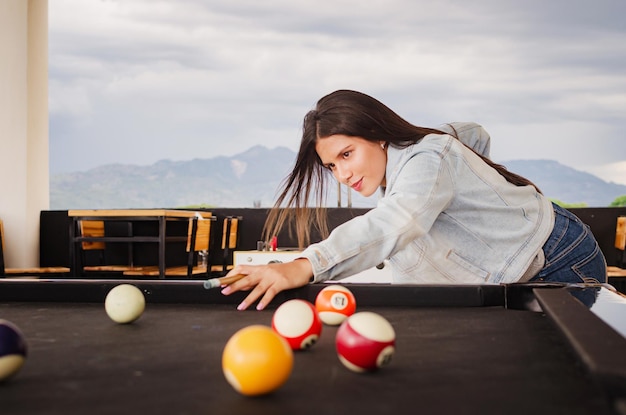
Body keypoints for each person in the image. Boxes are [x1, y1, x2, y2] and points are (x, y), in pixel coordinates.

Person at [221, 89, 607, 310]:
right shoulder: (420, 158)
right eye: (331, 166)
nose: (343, 175)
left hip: (560, 261)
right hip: (520, 267)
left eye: (346, 154)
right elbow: (474, 133)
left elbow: (397, 221)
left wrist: (305, 265)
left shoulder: (428, 156)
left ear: (376, 133)